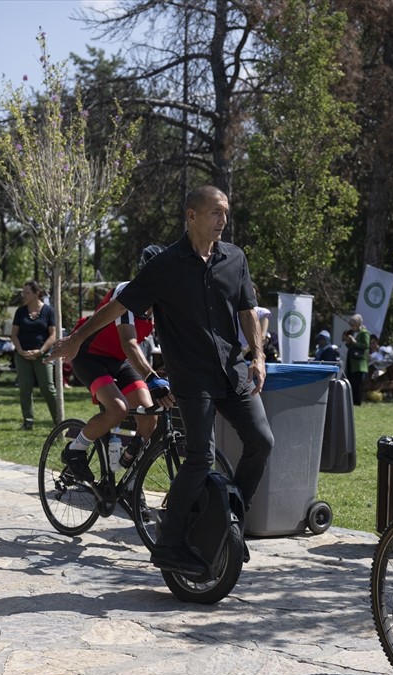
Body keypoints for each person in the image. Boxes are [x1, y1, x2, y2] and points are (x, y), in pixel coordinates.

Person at [47, 185, 273, 576]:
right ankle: (169, 543)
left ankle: (228, 522)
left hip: (232, 371)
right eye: (215, 212)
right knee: (200, 456)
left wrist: (257, 354)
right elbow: (118, 307)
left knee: (262, 441)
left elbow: (247, 308)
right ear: (191, 216)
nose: (223, 220)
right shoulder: (165, 265)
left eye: (226, 212)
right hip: (192, 376)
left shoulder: (234, 258)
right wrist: (76, 339)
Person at [60, 246, 172, 481]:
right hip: (89, 356)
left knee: (149, 413)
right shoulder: (126, 292)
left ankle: (130, 483)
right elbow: (129, 343)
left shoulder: (164, 303)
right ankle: (75, 450)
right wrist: (152, 378)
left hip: (119, 361)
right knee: (118, 409)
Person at [11, 279, 59, 430]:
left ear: (37, 293)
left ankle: (59, 421)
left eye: (27, 292)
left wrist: (41, 351)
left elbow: (53, 335)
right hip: (22, 355)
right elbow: (14, 335)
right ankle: (28, 422)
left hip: (43, 356)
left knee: (48, 389)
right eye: (23, 292)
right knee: (25, 389)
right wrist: (20, 351)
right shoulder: (20, 311)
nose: (24, 295)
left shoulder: (49, 311)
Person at [343, 313, 371, 405]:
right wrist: (348, 342)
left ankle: (358, 401)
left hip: (360, 363)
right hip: (351, 360)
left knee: (358, 383)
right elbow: (350, 346)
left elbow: (365, 346)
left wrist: (355, 342)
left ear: (358, 324)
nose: (351, 327)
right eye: (350, 325)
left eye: (353, 325)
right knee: (351, 382)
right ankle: (351, 400)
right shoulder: (352, 333)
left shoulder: (364, 333)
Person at [238, 284, 271, 362]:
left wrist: (245, 351)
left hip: (254, 353)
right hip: (237, 352)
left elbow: (262, 337)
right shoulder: (234, 313)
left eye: (253, 294)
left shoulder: (263, 312)